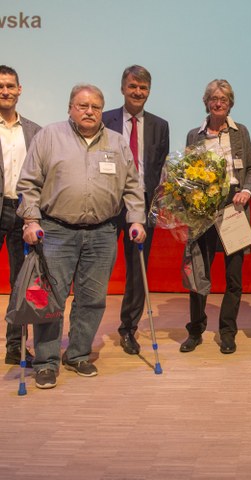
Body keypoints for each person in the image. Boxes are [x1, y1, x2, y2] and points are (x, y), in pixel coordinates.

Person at [17, 84, 146, 389]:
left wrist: (136, 219)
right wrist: (31, 220)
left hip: (103, 233)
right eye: (83, 106)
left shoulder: (116, 142)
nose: (90, 112)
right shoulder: (49, 136)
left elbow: (132, 186)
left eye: (96, 107)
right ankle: (46, 362)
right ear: (70, 108)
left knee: (92, 299)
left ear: (103, 110)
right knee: (50, 300)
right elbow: (29, 182)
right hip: (56, 231)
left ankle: (77, 355)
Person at [179, 79, 251, 354]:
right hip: (203, 212)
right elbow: (186, 175)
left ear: (230, 103)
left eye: (223, 98)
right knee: (199, 274)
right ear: (206, 102)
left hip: (234, 209)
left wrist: (247, 192)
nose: (218, 102)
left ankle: (227, 331)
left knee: (234, 276)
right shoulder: (194, 135)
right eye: (213, 97)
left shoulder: (241, 132)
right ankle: (196, 329)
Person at [103, 65, 169, 355]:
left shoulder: (160, 125)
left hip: (141, 205)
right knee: (98, 266)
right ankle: (86, 326)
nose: (138, 92)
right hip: (107, 202)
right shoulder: (105, 120)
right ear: (122, 88)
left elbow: (161, 168)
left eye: (143, 88)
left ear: (149, 91)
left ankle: (128, 329)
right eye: (133, 87)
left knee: (136, 269)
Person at [0, 65, 41, 368]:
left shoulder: (34, 131)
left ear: (20, 90)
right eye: (0, 86)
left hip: (21, 211)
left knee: (19, 282)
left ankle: (15, 347)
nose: (5, 91)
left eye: (10, 86)